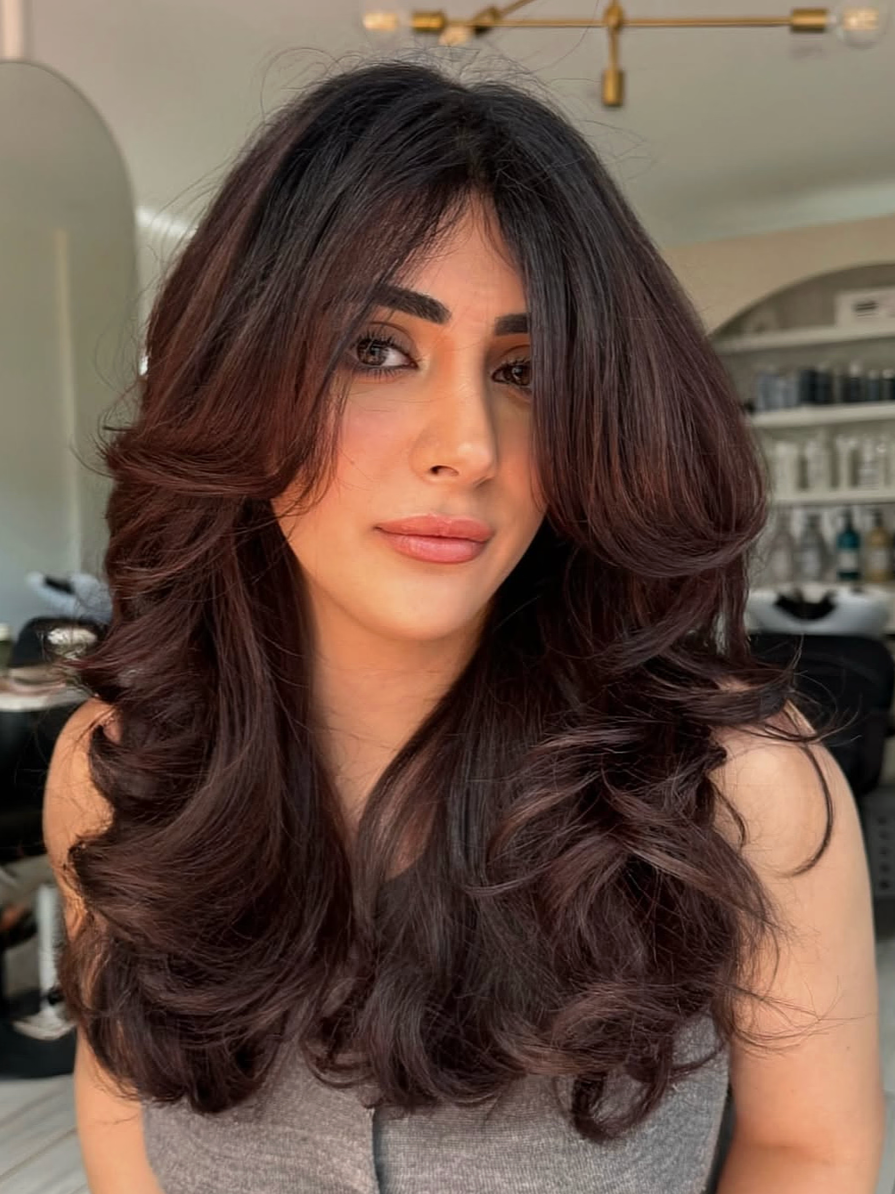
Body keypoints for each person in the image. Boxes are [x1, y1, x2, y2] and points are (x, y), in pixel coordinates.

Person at [43, 54, 884, 1194]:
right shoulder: (122, 768)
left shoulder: (734, 786)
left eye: (527, 370)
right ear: (242, 374)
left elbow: (810, 1147)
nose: (469, 448)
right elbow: (118, 1112)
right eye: (376, 349)